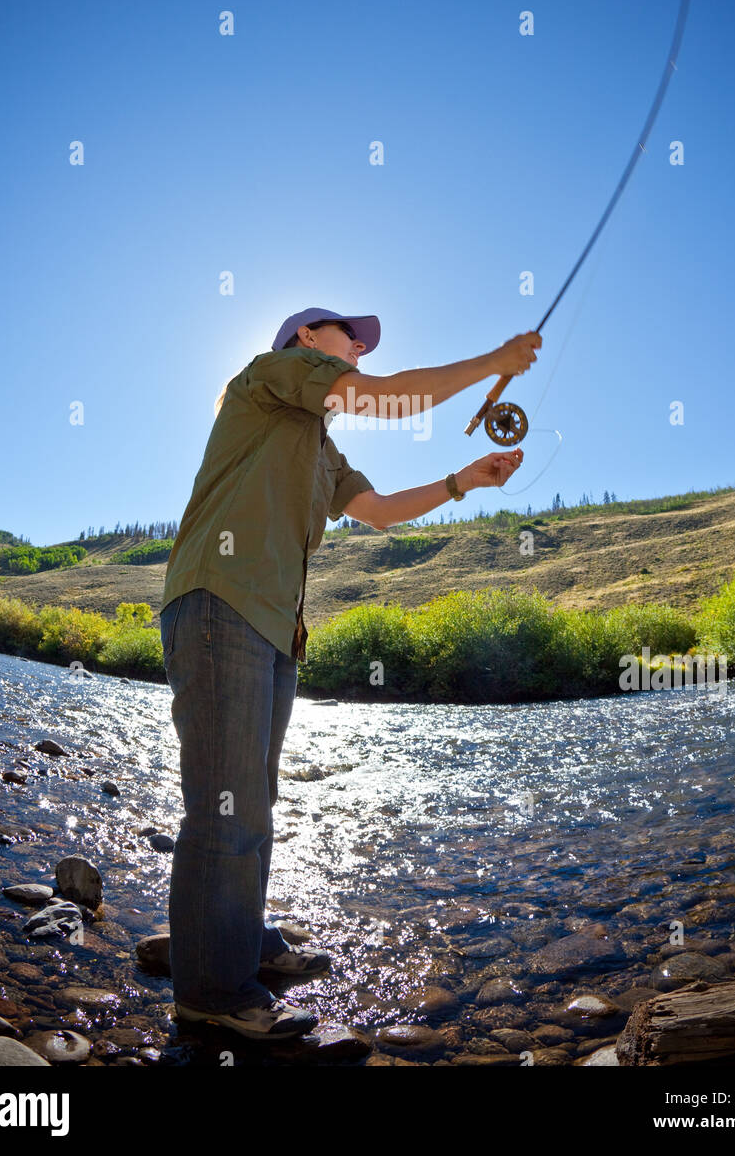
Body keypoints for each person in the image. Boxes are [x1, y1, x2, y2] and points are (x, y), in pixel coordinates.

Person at [159, 308, 542, 1040]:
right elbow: (392, 397)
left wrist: (466, 480)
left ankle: (236, 943)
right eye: (349, 336)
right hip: (219, 603)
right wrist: (494, 361)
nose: (361, 348)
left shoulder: (321, 449)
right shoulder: (271, 374)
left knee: (254, 801)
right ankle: (211, 992)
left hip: (273, 627)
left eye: (363, 343)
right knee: (227, 806)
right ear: (307, 341)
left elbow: (382, 513)